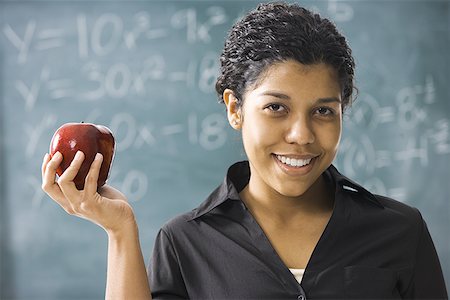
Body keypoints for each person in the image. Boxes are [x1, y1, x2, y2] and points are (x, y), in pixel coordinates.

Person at [41, 2, 448, 299]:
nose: (301, 135)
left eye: (323, 111)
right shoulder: (185, 242)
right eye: (276, 108)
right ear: (235, 109)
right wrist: (119, 230)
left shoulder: (401, 231)